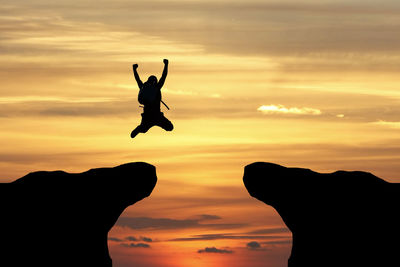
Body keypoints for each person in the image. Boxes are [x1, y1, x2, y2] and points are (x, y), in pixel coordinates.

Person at [130, 59, 174, 139]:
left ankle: (138, 129)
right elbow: (164, 76)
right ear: (156, 81)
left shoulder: (143, 86)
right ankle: (139, 129)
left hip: (147, 116)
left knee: (143, 129)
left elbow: (137, 79)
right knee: (170, 127)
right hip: (157, 116)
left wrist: (134, 69)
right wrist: (166, 64)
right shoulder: (157, 87)